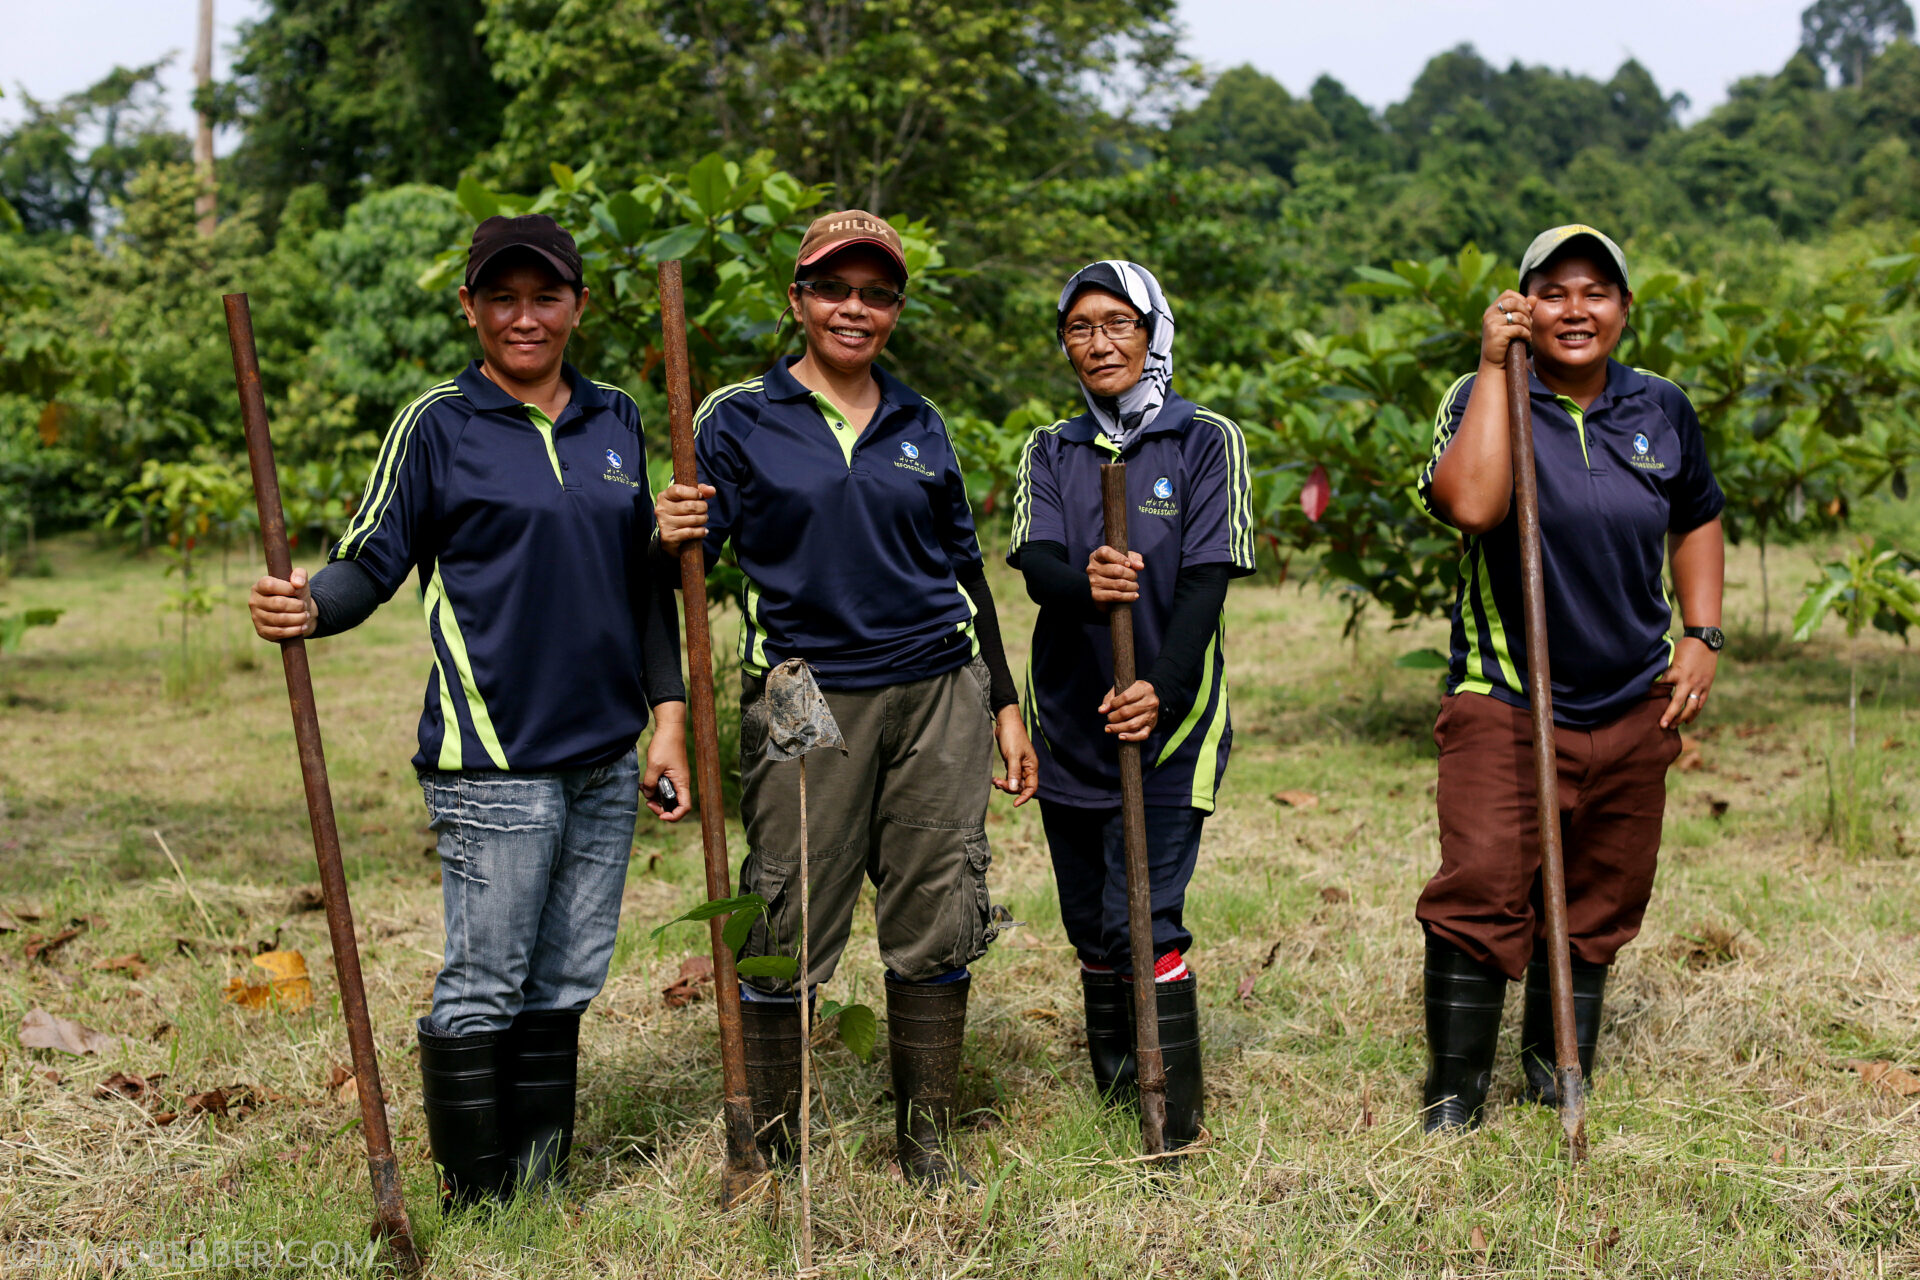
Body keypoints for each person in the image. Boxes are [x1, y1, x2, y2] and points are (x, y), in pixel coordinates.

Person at [248, 214, 692, 1205]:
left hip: (605, 754)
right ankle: (475, 1197)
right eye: (502, 298)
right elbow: (371, 559)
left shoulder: (617, 418)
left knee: (566, 978)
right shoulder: (437, 423)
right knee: (487, 980)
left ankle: (535, 1186)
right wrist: (309, 604)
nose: (524, 318)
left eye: (545, 297)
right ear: (470, 308)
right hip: (493, 757)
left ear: (578, 305)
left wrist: (667, 717)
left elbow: (643, 582)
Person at [652, 209, 1038, 1189]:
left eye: (875, 293)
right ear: (798, 301)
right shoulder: (738, 417)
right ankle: (774, 1150)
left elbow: (965, 570)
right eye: (833, 288)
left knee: (939, 901)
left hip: (938, 688)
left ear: (895, 310)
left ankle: (927, 1144)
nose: (853, 308)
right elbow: (677, 561)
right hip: (804, 692)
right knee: (787, 907)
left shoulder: (920, 422)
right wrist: (666, 529)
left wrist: (1003, 703)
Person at [1414, 224, 1725, 1130]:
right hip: (1509, 694)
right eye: (1554, 292)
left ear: (1625, 308)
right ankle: (1455, 1093)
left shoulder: (1662, 405)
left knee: (1601, 892)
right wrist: (1493, 367)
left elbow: (1697, 513)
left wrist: (1702, 632)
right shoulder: (1482, 393)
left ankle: (1557, 1067)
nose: (1576, 310)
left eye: (1596, 292)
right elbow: (1472, 505)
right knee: (1481, 884)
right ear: (1522, 308)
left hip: (1634, 699)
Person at [1005, 260, 1256, 1149]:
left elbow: (1207, 578)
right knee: (1089, 923)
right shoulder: (1052, 447)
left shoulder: (1206, 441)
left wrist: (1163, 689)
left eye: (1119, 323)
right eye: (1080, 327)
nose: (1100, 342)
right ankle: (1120, 1098)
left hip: (1171, 725)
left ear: (1155, 333)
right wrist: (1085, 584)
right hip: (1070, 723)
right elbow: (1036, 563)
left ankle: (1171, 1112)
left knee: (1140, 919)